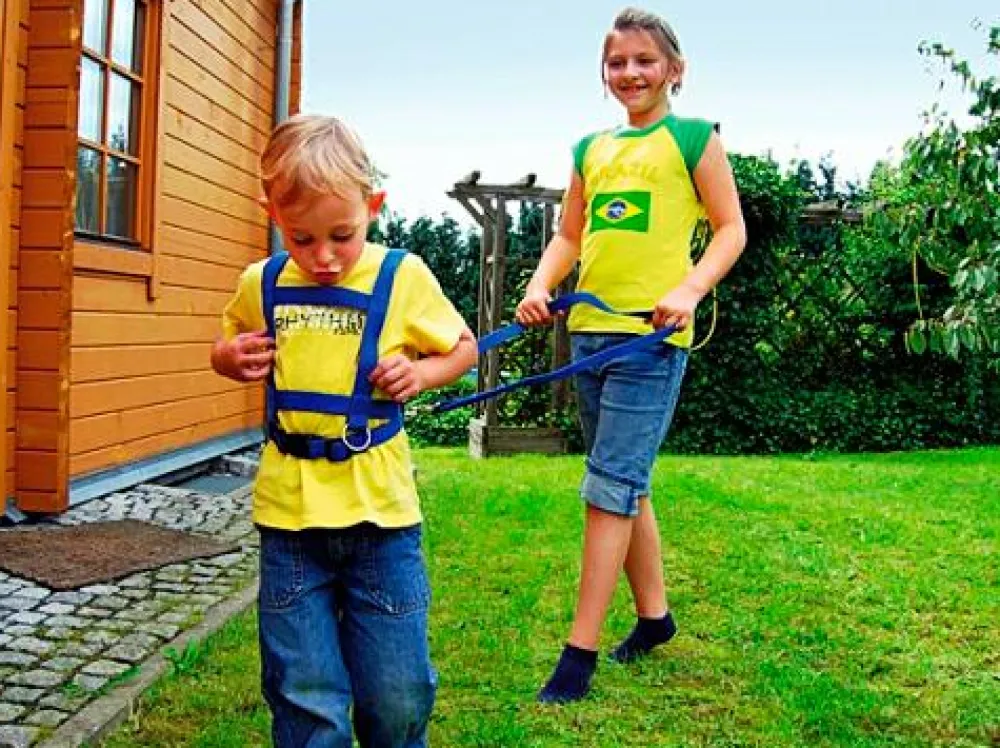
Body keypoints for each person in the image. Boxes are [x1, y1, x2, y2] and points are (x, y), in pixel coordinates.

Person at [211, 114, 477, 747]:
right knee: (304, 691)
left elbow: (463, 347)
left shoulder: (402, 277)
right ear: (273, 214)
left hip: (380, 519)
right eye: (301, 238)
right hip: (290, 522)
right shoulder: (262, 283)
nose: (324, 257)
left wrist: (421, 373)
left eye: (342, 235)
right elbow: (226, 344)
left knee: (397, 691)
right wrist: (228, 357)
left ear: (372, 208)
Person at [516, 7, 747, 704]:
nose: (631, 73)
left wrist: (690, 288)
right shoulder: (590, 149)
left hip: (651, 342)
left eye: (645, 60)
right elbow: (569, 235)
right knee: (624, 481)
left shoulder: (693, 138)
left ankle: (578, 654)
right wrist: (539, 284)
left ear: (675, 69)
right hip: (589, 335)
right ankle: (655, 618)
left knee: (609, 485)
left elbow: (731, 229)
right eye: (617, 62)